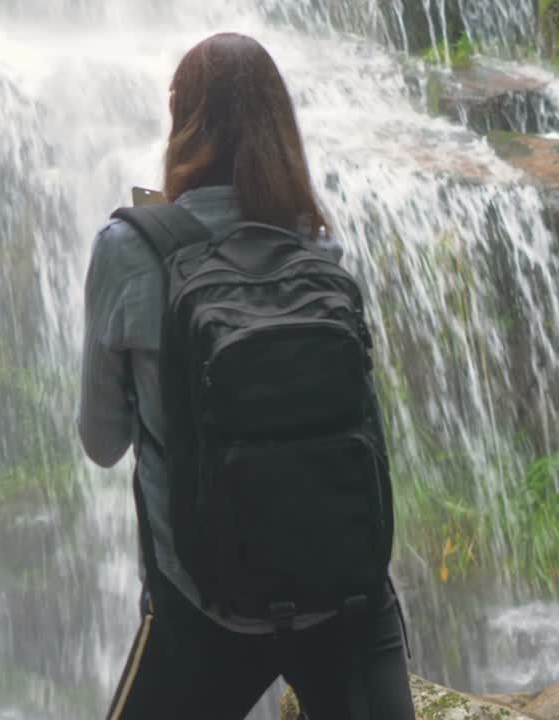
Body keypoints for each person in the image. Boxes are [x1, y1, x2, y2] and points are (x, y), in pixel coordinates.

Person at [79, 33, 416, 719]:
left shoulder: (129, 249)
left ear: (183, 123)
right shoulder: (320, 244)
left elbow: (102, 441)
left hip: (203, 607)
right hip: (349, 601)